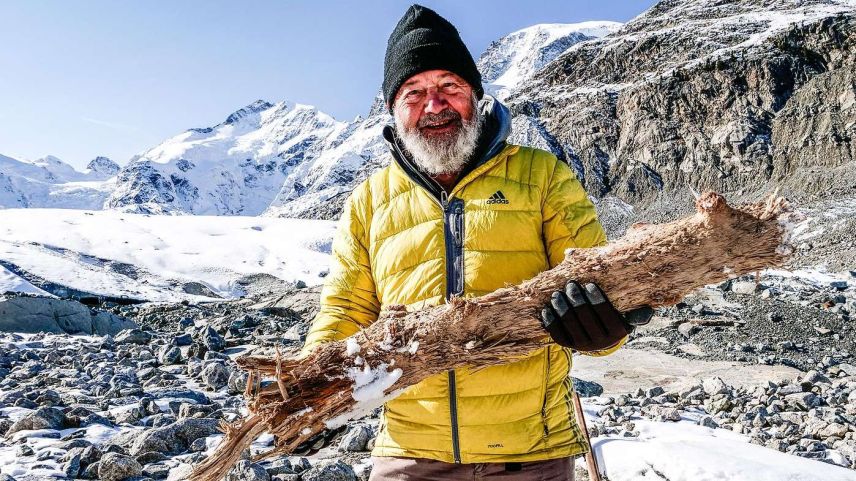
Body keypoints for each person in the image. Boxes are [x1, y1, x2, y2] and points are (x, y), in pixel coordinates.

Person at [301, 4, 651, 480]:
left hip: (530, 452)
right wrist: (312, 388)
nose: (434, 104)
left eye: (449, 86)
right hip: (412, 453)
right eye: (414, 92)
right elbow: (345, 308)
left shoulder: (542, 175)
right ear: (393, 109)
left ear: (475, 95)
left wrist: (607, 327)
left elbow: (597, 283)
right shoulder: (370, 200)